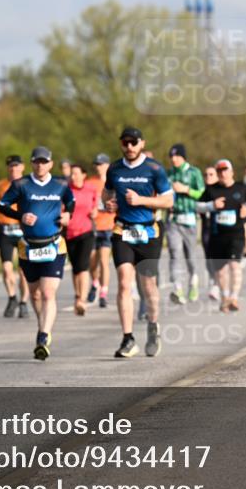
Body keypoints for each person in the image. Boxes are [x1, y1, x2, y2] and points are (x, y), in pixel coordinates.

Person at [0, 147, 73, 360]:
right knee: (35, 293)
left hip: (54, 245)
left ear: (51, 163)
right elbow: (2, 205)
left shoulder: (60, 184)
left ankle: (43, 335)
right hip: (28, 247)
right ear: (32, 164)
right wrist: (20, 215)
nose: (41, 165)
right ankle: (44, 327)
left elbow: (71, 201)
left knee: (48, 292)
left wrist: (69, 215)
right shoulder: (21, 184)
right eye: (37, 162)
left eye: (44, 162)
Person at [105, 127, 174, 358]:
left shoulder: (154, 169)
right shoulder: (114, 168)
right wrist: (109, 204)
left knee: (148, 285)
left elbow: (168, 201)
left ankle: (153, 326)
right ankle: (128, 338)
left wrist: (140, 200)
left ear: (142, 143)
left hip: (148, 233)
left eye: (134, 142)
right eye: (125, 142)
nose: (130, 147)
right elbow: (107, 194)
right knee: (124, 283)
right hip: (122, 230)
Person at [195, 159, 246, 312]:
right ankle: (224, 298)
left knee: (235, 265)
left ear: (231, 172)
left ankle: (234, 297)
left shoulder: (241, 188)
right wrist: (211, 206)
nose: (222, 173)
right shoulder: (211, 190)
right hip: (217, 235)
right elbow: (197, 206)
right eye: (219, 171)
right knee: (221, 270)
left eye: (225, 170)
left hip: (236, 234)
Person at [0, 155, 31, 319]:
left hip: (23, 232)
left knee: (23, 272)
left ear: (22, 167)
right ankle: (12, 297)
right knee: (7, 269)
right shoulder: (2, 184)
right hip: (6, 231)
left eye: (16, 166)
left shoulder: (29, 184)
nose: (13, 169)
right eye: (10, 166)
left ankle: (23, 302)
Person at [166, 143, 205, 304]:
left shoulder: (194, 172)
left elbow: (201, 193)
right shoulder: (168, 174)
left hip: (189, 219)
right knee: (174, 253)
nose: (173, 159)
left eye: (177, 156)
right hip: (173, 219)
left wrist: (186, 190)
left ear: (183, 157)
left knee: (190, 256)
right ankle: (177, 288)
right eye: (171, 157)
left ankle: (193, 283)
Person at [66, 163, 98, 316]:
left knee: (83, 266)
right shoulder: (66, 190)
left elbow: (96, 206)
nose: (73, 176)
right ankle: (77, 295)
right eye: (72, 174)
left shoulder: (91, 188)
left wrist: (95, 212)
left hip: (86, 231)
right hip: (70, 233)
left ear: (84, 175)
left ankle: (82, 300)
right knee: (75, 268)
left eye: (76, 173)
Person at [87, 153, 114, 308]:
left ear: (107, 166)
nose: (98, 167)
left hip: (108, 227)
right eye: (96, 164)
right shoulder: (90, 183)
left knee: (104, 261)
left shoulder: (114, 183)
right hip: (92, 227)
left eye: (101, 164)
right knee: (92, 262)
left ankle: (103, 293)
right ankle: (95, 283)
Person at [199, 165, 222, 301]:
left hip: (220, 229)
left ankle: (217, 284)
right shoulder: (204, 192)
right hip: (206, 228)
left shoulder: (222, 191)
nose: (208, 177)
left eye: (211, 174)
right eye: (206, 175)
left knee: (219, 257)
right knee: (208, 257)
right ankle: (215, 281)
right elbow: (196, 206)